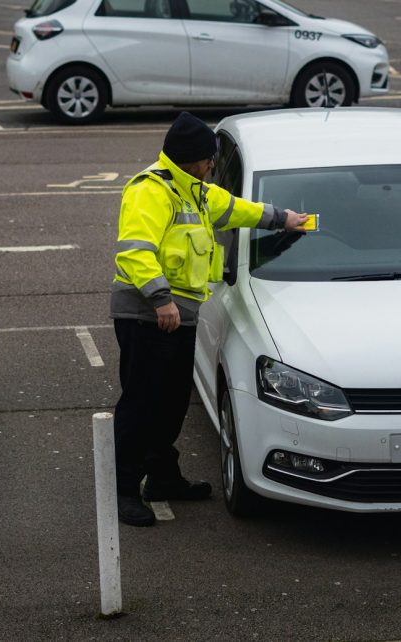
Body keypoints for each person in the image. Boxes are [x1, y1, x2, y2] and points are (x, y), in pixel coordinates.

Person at [109, 112, 309, 527]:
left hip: (179, 316)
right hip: (148, 316)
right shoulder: (151, 191)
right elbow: (134, 251)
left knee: (170, 405)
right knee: (141, 405)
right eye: (208, 159)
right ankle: (125, 491)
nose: (213, 165)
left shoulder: (195, 191)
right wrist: (160, 299)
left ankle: (163, 478)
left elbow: (236, 208)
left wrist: (283, 219)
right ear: (189, 160)